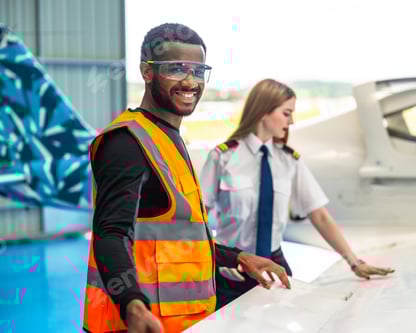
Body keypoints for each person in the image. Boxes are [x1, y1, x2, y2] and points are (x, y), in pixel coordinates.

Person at [82, 25, 290, 333]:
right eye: (176, 69)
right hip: (139, 325)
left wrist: (242, 257)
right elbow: (110, 236)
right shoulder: (127, 142)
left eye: (198, 70)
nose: (190, 81)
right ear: (147, 72)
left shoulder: (167, 137)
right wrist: (132, 305)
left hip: (184, 323)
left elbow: (181, 242)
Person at [199, 79, 395, 309]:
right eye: (286, 113)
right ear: (264, 111)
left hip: (275, 270)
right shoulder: (223, 157)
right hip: (231, 273)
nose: (291, 121)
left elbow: (319, 215)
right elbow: (200, 217)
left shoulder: (288, 161)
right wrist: (218, 259)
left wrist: (354, 262)